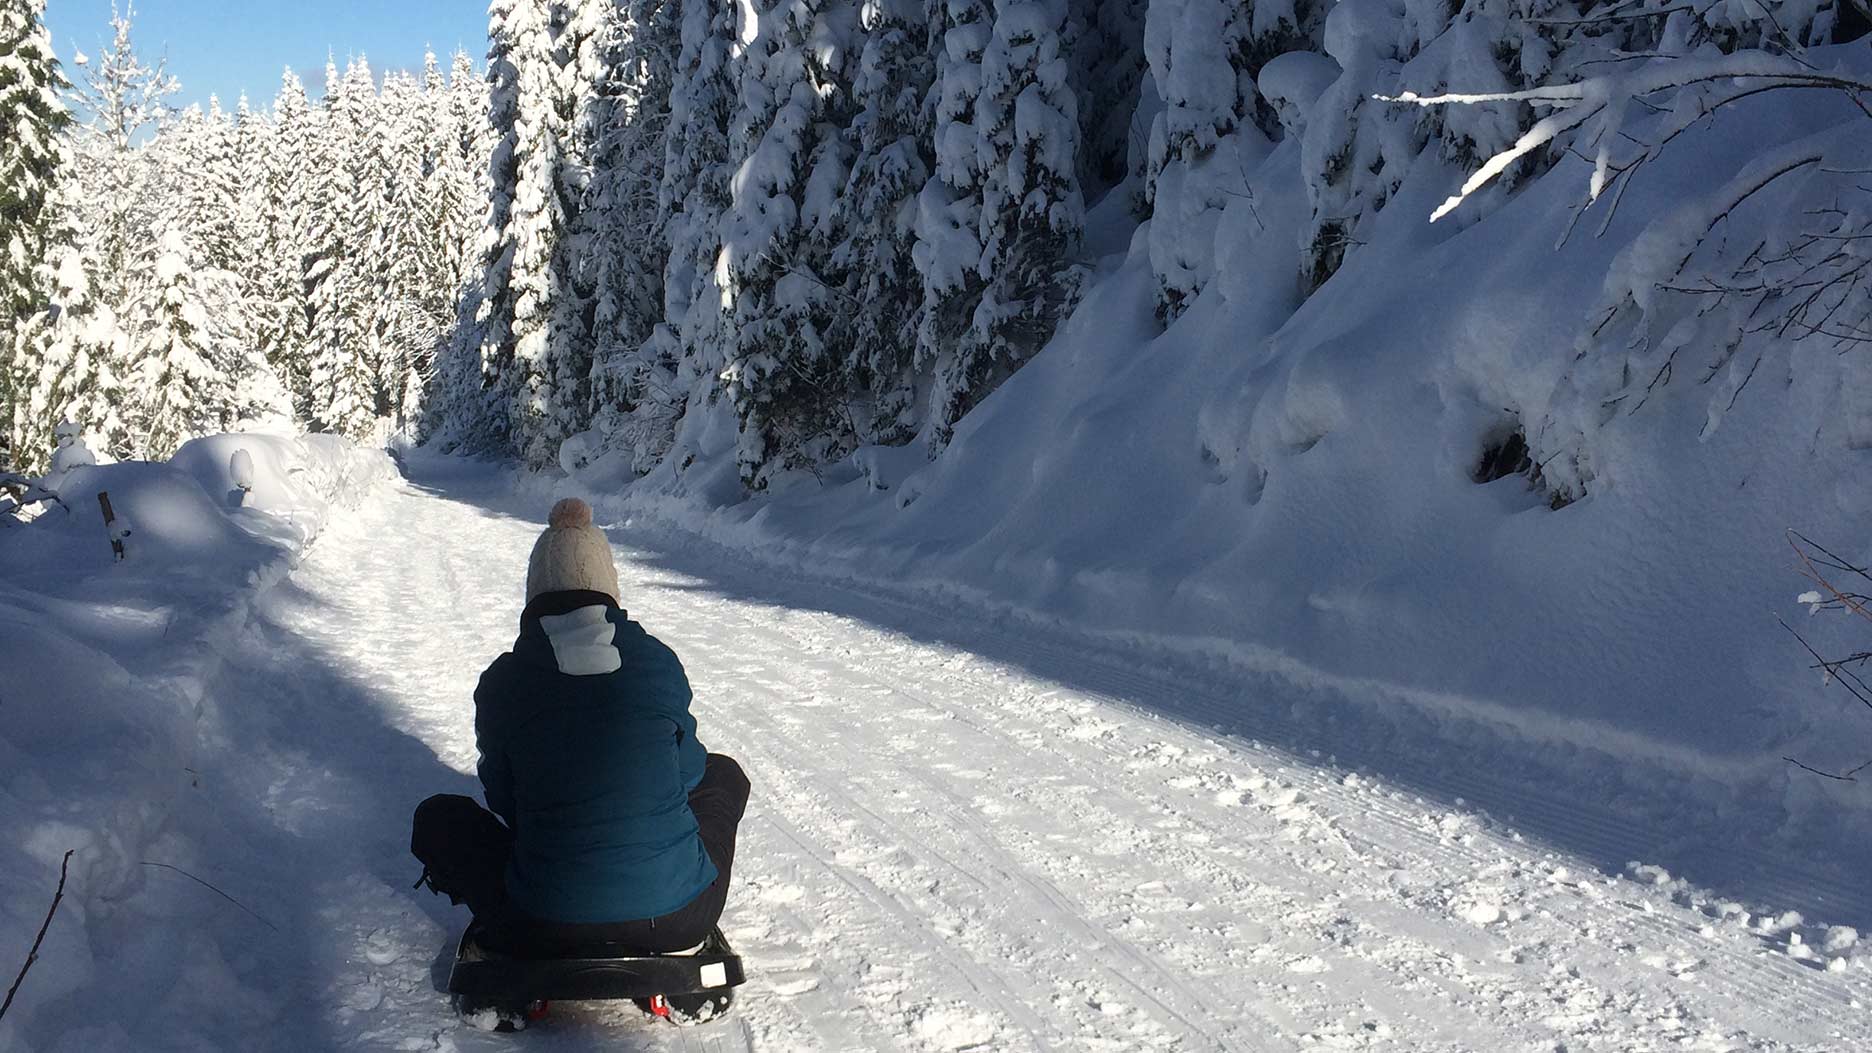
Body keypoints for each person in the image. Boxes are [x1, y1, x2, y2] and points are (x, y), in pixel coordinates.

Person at [411, 497, 750, 958]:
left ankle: (524, 951)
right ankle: (667, 910)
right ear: (608, 584)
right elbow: (689, 774)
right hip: (678, 918)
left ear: (534, 592)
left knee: (438, 816)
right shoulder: (657, 661)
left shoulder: (505, 679)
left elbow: (504, 800)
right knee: (723, 774)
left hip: (540, 921)